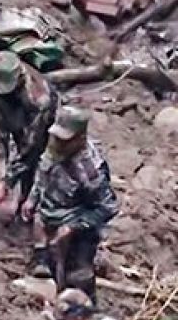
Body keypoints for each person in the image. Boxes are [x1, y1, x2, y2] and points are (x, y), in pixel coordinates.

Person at [29, 106, 119, 303]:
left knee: (78, 277)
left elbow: (108, 207)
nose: (58, 143)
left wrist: (72, 227)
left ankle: (87, 310)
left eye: (65, 140)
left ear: (79, 139)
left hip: (78, 229)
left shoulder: (89, 170)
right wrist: (32, 199)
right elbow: (42, 174)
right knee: (48, 270)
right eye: (56, 137)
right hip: (49, 217)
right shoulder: (54, 147)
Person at [0, 51, 58, 276]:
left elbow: (30, 147)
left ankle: (39, 222)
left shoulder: (39, 97)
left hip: (43, 124)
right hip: (15, 111)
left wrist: (8, 180)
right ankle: (23, 204)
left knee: (41, 164)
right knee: (21, 166)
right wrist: (2, 176)